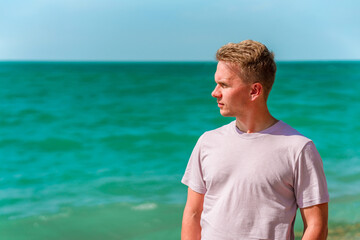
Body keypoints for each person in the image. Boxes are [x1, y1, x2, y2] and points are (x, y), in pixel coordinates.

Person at [181, 40, 329, 240]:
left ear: (254, 91)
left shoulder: (298, 148)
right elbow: (192, 214)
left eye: (224, 85)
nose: (214, 92)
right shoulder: (207, 142)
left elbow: (316, 227)